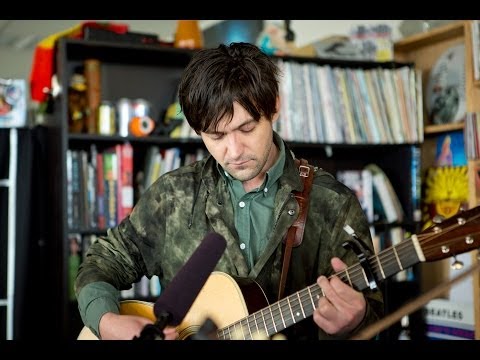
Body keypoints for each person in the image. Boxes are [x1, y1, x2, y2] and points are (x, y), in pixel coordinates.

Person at [75, 42, 384, 341]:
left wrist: (355, 321)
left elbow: (374, 315)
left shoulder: (333, 204)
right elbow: (102, 262)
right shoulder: (173, 196)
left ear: (274, 106)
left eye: (247, 129)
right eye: (216, 135)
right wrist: (107, 323)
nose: (234, 150)